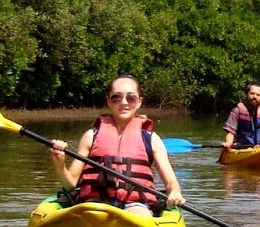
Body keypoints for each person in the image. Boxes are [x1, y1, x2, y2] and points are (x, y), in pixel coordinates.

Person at [49, 75, 184, 213]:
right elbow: (70, 185)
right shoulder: (91, 136)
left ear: (139, 102)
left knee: (139, 214)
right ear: (108, 101)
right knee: (93, 212)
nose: (124, 102)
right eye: (116, 97)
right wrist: (60, 164)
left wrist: (175, 192)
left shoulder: (151, 139)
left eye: (131, 98)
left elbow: (171, 184)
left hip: (136, 205)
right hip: (96, 203)